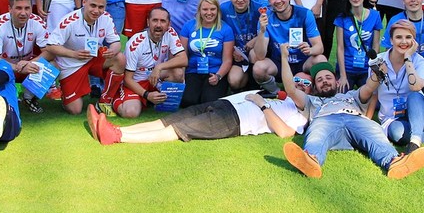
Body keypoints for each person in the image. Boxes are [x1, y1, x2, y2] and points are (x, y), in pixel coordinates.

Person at [278, 44, 424, 180]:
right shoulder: (311, 101)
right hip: (325, 120)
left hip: (356, 119)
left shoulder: (352, 95)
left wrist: (379, 72)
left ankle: (394, 162)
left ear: (336, 82)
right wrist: (284, 58)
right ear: (315, 87)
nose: (324, 81)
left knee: (374, 131)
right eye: (319, 80)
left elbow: (369, 87)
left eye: (328, 77)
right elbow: (290, 89)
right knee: (316, 134)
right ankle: (311, 160)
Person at [88, 77, 310, 146]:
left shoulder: (300, 115)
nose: (299, 85)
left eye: (306, 83)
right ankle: (117, 129)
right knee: (168, 120)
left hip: (234, 120)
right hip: (225, 103)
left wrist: (262, 104)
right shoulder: (282, 97)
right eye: (297, 80)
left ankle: (117, 136)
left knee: (179, 129)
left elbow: (284, 133)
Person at [42, 0, 126, 115]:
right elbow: (51, 46)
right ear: (84, 2)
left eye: (101, 7)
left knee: (119, 58)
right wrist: (74, 54)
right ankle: (67, 93)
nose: (96, 11)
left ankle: (105, 101)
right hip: (71, 64)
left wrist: (113, 50)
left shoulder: (106, 18)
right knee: (75, 109)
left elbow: (116, 42)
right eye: (93, 5)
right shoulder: (69, 21)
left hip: (93, 58)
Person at [252, 0, 325, 96]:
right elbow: (260, 56)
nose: (278, 1)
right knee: (258, 68)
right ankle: (277, 92)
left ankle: (316, 93)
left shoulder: (304, 14)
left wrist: (310, 50)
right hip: (279, 63)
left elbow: (319, 47)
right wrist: (262, 31)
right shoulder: (265, 18)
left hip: (302, 62)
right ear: (269, 1)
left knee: (320, 60)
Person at [0, 0, 50, 115]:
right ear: (10, 9)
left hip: (28, 65)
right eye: (18, 8)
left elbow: (49, 52)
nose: (23, 13)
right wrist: (16, 67)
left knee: (53, 64)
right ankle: (4, 96)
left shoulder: (37, 22)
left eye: (27, 8)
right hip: (7, 67)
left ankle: (29, 97)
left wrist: (29, 63)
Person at [121, 7, 187, 118]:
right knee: (130, 113)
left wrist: (159, 67)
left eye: (163, 21)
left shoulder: (170, 33)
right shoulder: (136, 43)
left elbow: (183, 59)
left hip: (156, 77)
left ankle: (163, 102)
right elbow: (127, 79)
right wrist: (146, 94)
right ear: (148, 22)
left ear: (169, 24)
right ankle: (116, 100)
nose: (158, 25)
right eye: (155, 20)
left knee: (178, 72)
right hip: (137, 82)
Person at [179, 0, 234, 106]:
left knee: (209, 102)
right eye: (205, 9)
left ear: (217, 10)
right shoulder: (188, 26)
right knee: (188, 101)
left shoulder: (226, 29)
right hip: (193, 71)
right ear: (199, 10)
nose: (209, 13)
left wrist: (218, 76)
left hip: (215, 72)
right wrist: (181, 75)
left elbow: (227, 60)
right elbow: (182, 55)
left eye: (212, 9)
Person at [334, 0, 381, 91]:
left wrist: (373, 71)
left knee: (371, 98)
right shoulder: (341, 17)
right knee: (341, 96)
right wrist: (343, 76)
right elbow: (340, 48)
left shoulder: (375, 16)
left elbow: (376, 46)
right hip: (347, 68)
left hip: (366, 68)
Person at [220, 0, 261, 91]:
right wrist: (231, 51)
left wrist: (255, 40)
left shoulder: (260, 9)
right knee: (234, 81)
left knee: (253, 54)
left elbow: (269, 33)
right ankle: (246, 81)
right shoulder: (223, 9)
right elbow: (218, 35)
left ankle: (256, 86)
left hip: (256, 55)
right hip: (236, 56)